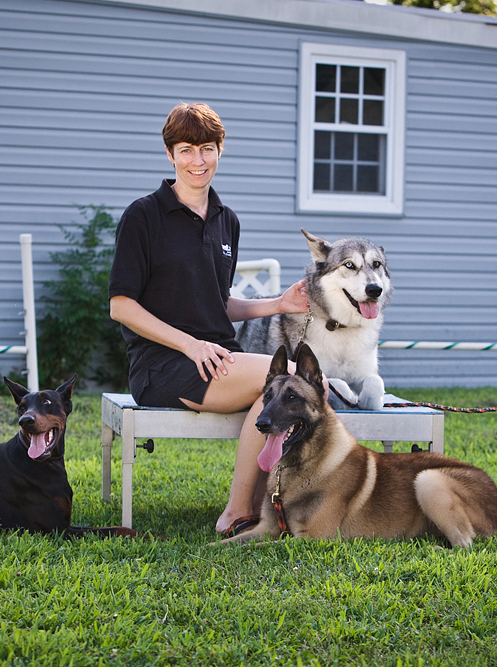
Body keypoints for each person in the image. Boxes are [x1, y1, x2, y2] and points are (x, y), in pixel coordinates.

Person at [108, 103, 309, 536]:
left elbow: (217, 304)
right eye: (185, 150)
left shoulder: (226, 221)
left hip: (219, 357)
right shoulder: (143, 216)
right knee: (288, 379)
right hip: (163, 364)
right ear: (170, 155)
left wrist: (279, 303)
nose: (197, 161)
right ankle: (236, 513)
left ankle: (258, 506)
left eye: (206, 149)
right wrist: (189, 345)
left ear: (220, 150)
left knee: (275, 395)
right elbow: (121, 306)